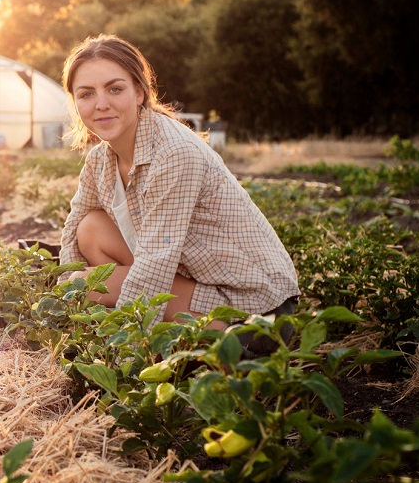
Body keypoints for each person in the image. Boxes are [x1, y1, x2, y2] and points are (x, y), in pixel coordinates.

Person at [58, 34, 299, 357]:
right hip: (194, 280)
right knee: (90, 229)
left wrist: (124, 348)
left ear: (140, 92)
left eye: (115, 89)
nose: (101, 103)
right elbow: (73, 230)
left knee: (87, 286)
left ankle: (183, 345)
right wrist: (60, 303)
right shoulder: (100, 160)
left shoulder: (174, 153)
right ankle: (166, 337)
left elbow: (156, 262)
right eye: (86, 94)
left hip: (257, 312)